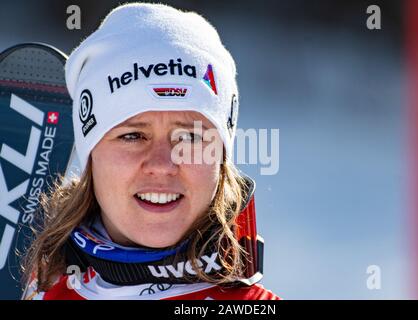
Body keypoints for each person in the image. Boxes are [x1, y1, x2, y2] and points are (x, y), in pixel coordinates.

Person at [22, 2, 279, 300]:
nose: (162, 164)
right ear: (91, 154)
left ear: (220, 159)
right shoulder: (41, 291)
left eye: (190, 137)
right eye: (132, 135)